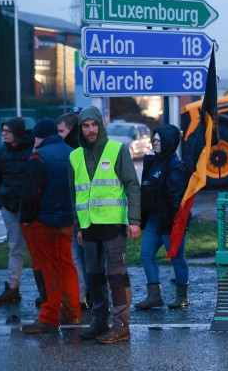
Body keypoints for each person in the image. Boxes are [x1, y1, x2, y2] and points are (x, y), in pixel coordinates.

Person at [70, 106, 141, 344]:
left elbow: (132, 185)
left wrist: (134, 221)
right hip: (89, 226)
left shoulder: (117, 150)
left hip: (113, 224)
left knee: (116, 275)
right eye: (85, 126)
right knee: (94, 275)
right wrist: (79, 227)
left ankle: (122, 326)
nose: (91, 130)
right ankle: (99, 322)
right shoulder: (75, 156)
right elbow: (75, 194)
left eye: (94, 125)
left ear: (101, 125)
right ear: (80, 129)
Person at [18, 119, 82, 333]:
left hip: (43, 222)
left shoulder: (38, 157)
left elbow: (30, 194)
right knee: (67, 266)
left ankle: (49, 316)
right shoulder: (73, 153)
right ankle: (72, 314)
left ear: (38, 136)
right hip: (67, 221)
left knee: (49, 269)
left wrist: (26, 218)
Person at [136, 124, 191, 310]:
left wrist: (179, 226)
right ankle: (154, 297)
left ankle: (182, 297)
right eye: (155, 138)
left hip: (171, 222)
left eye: (159, 139)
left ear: (169, 142)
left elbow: (178, 199)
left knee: (176, 257)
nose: (155, 142)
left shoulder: (176, 167)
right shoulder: (153, 162)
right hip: (153, 220)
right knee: (146, 254)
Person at [0, 117, 34, 306]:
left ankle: (46, 290)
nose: (4, 134)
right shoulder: (2, 152)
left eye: (7, 131)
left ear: (17, 132)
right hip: (9, 206)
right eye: (3, 131)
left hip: (29, 208)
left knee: (37, 250)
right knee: (14, 247)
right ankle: (12, 287)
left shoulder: (31, 149)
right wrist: (0, 200)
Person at [57, 111, 89, 310]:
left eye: (61, 130)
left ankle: (83, 296)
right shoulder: (72, 151)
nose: (57, 134)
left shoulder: (73, 152)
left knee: (82, 258)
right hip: (75, 213)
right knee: (79, 258)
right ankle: (83, 295)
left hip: (82, 214)